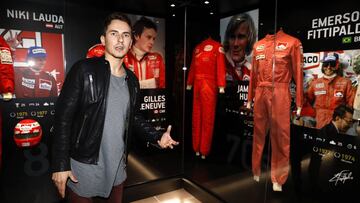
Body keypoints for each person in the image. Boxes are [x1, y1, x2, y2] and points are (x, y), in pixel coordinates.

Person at [51, 12, 178, 203]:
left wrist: (157, 136)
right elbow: (63, 119)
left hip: (117, 168)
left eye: (126, 35)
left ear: (131, 41)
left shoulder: (132, 80)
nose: (120, 39)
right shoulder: (83, 70)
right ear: (103, 39)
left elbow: (133, 117)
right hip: (83, 167)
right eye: (114, 33)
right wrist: (60, 165)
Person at [247, 29, 304, 192]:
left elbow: (298, 74)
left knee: (280, 136)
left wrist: (299, 101)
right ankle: (256, 170)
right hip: (260, 91)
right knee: (258, 133)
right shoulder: (258, 45)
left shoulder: (292, 42)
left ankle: (278, 178)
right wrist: (249, 98)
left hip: (280, 91)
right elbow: (253, 75)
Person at [186, 37, 226, 159]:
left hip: (209, 84)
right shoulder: (197, 48)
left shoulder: (217, 47)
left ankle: (204, 149)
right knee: (196, 116)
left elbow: (220, 66)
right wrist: (190, 82)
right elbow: (193, 66)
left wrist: (221, 85)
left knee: (207, 117)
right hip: (198, 84)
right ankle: (196, 147)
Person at [308, 104, 354, 201]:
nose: (350, 126)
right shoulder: (327, 133)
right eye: (348, 122)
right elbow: (319, 162)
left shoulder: (333, 131)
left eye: (351, 122)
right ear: (337, 118)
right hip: (323, 183)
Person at [305, 52, 354, 129]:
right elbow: (307, 101)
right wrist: (312, 117)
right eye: (326, 64)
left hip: (337, 123)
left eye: (332, 64)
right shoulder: (315, 83)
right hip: (319, 122)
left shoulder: (346, 82)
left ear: (337, 66)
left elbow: (350, 104)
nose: (328, 67)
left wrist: (345, 121)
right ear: (322, 66)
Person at [124, 16, 165, 89]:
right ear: (136, 36)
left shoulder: (157, 58)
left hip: (151, 98)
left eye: (153, 39)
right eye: (148, 37)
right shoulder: (123, 57)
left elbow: (162, 86)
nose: (152, 42)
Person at [223, 13, 256, 82]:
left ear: (249, 40)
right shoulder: (220, 65)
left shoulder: (251, 70)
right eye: (232, 37)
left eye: (241, 37)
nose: (235, 44)